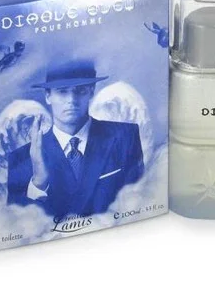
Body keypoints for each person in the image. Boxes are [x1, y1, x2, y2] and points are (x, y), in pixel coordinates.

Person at [7, 60, 144, 218]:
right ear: (48, 96)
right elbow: (17, 224)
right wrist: (39, 181)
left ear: (91, 91)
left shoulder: (125, 137)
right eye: (62, 91)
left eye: (80, 90)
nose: (71, 99)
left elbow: (138, 202)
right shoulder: (21, 158)